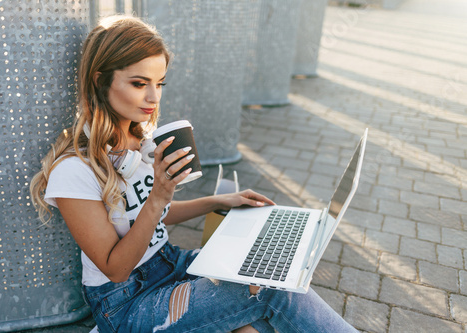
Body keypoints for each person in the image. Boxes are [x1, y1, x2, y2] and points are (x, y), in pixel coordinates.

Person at [30, 15, 357, 333]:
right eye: (139, 83)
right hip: (128, 304)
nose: (153, 97)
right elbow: (115, 268)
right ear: (101, 80)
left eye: (159, 83)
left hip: (172, 264)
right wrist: (158, 197)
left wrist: (219, 200)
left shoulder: (141, 141)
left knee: (267, 278)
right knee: (269, 290)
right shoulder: (74, 171)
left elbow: (152, 218)